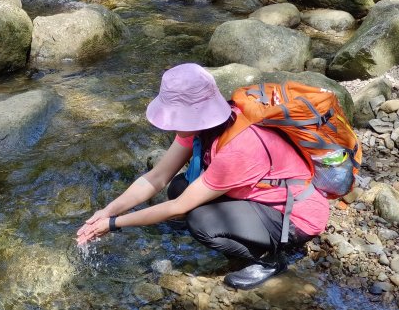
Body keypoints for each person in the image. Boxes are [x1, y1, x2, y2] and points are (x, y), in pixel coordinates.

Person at [76, 63, 329, 290]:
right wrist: (109, 210)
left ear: (194, 114)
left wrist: (113, 224)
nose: (171, 124)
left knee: (201, 222)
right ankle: (248, 234)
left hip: (295, 216)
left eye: (175, 116)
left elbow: (178, 208)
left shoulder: (239, 148)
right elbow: (157, 177)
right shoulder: (205, 125)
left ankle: (270, 259)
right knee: (178, 185)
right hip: (259, 196)